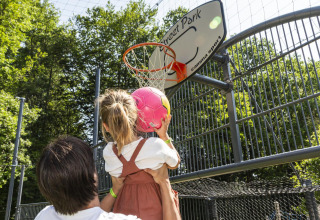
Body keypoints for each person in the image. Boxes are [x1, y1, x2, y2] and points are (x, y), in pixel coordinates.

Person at [35, 136, 181, 220]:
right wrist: (164, 182)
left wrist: (115, 190)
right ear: (94, 176)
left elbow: (91, 213)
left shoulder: (44, 215)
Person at [98, 89, 181, 220]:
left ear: (106, 126)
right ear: (136, 117)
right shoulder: (155, 146)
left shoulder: (109, 153)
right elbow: (175, 162)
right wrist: (164, 136)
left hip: (123, 211)